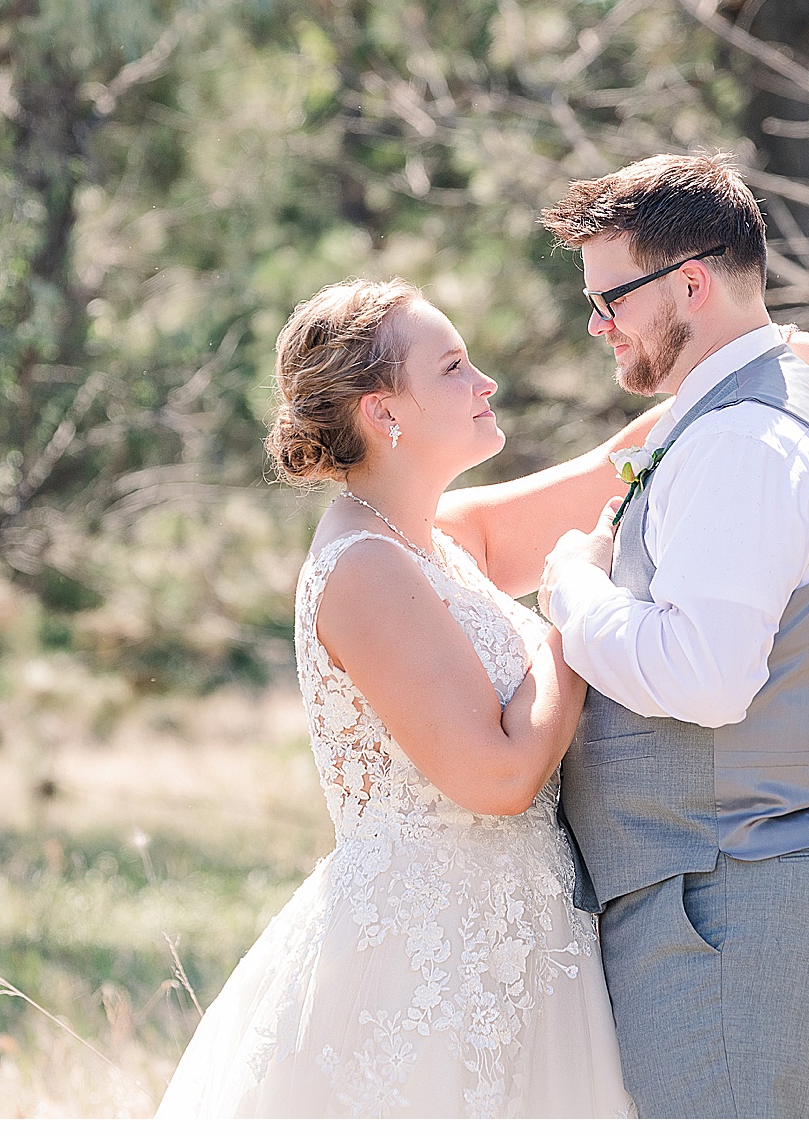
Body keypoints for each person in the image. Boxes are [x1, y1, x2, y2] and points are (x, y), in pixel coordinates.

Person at [154, 277, 648, 1118]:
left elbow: (616, 470)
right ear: (385, 412)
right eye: (454, 367)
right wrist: (575, 601)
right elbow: (497, 779)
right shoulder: (364, 568)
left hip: (519, 943)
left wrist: (785, 366)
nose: (484, 381)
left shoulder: (435, 541)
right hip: (429, 964)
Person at [533, 151, 809, 1119]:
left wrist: (570, 587)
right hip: (733, 892)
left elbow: (704, 680)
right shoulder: (738, 420)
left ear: (689, 282)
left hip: (737, 899)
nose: (598, 325)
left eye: (610, 299)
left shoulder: (742, 441)